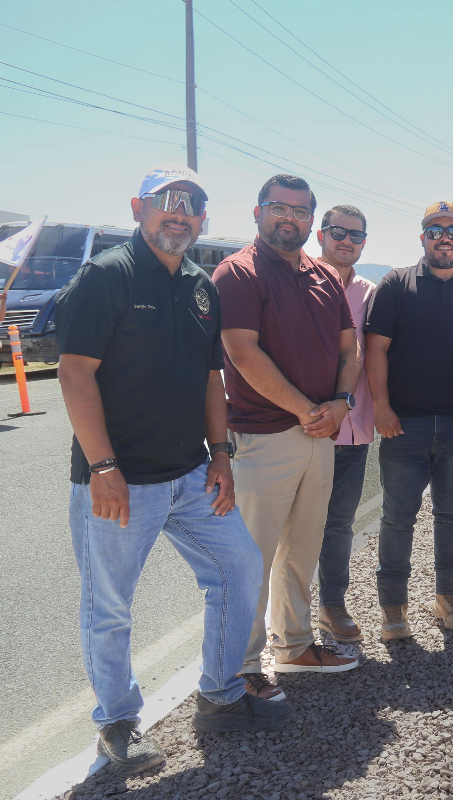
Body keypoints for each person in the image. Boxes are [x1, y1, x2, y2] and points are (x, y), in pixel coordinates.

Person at [55, 165, 288, 772]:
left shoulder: (200, 286)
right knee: (109, 606)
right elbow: (75, 372)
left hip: (190, 478)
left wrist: (221, 457)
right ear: (139, 207)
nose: (179, 213)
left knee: (239, 566)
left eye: (192, 205)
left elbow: (212, 378)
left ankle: (219, 693)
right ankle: (118, 722)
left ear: (203, 219)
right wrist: (102, 465)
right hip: (119, 482)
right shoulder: (105, 277)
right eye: (168, 202)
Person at [214, 174, 362, 697]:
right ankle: (242, 665)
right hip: (263, 438)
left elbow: (351, 349)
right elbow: (243, 354)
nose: (290, 218)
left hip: (320, 435)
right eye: (279, 207)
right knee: (250, 556)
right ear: (258, 212)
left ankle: (295, 645)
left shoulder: (325, 275)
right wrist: (307, 410)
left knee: (302, 548)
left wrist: (341, 403)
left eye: (301, 211)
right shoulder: (238, 273)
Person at [366, 201, 453, 641]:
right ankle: (392, 608)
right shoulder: (396, 285)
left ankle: (448, 597)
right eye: (435, 230)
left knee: (452, 514)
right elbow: (375, 349)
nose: (444, 237)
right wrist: (381, 406)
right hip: (404, 425)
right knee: (398, 517)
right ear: (422, 237)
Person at [312, 205, 376, 644]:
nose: (346, 241)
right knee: (292, 525)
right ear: (321, 234)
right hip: (306, 426)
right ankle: (286, 612)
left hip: (354, 430)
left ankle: (332, 605)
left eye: (355, 235)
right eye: (338, 232)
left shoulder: (373, 293)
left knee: (338, 523)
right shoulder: (300, 283)